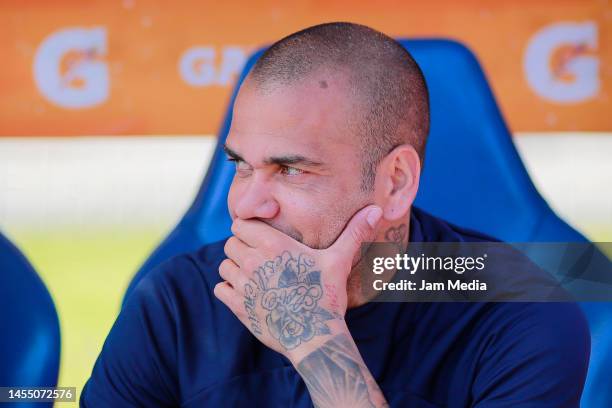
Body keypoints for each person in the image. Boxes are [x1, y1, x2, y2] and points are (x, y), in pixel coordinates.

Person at [81, 22, 590, 407]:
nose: (245, 205)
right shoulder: (176, 303)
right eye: (240, 165)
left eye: (290, 170)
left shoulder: (522, 315)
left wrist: (315, 341)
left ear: (396, 183)